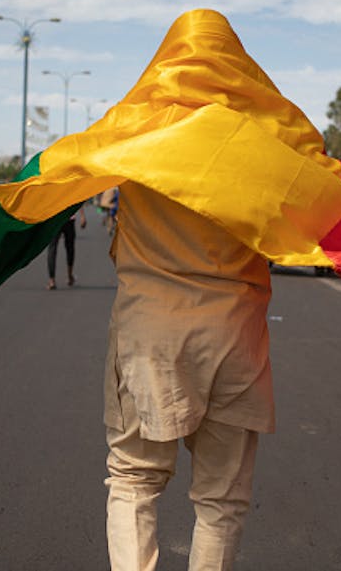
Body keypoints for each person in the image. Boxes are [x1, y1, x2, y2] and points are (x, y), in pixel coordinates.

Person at [104, 180, 273, 570]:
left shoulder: (135, 137)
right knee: (222, 499)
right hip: (234, 333)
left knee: (134, 479)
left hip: (149, 331)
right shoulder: (258, 139)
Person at [46, 206, 87, 289]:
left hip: (54, 219)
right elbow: (78, 197)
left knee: (52, 249)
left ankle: (52, 280)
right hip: (68, 219)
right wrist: (82, 216)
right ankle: (69, 276)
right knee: (69, 248)